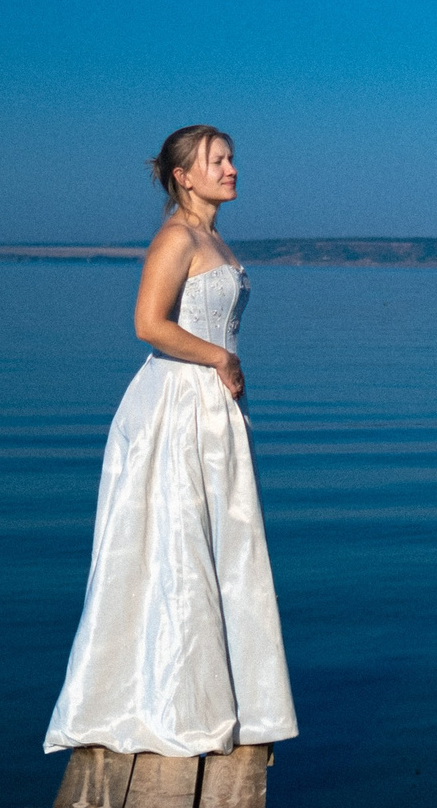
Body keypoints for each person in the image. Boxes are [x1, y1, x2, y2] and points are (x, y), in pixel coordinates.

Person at [44, 125, 299, 756]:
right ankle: (173, 708)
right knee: (175, 547)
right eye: (218, 161)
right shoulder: (176, 237)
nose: (232, 168)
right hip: (177, 405)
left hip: (210, 407)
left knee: (221, 547)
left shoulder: (212, 235)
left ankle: (223, 700)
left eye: (232, 157)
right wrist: (220, 357)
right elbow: (147, 324)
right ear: (184, 176)